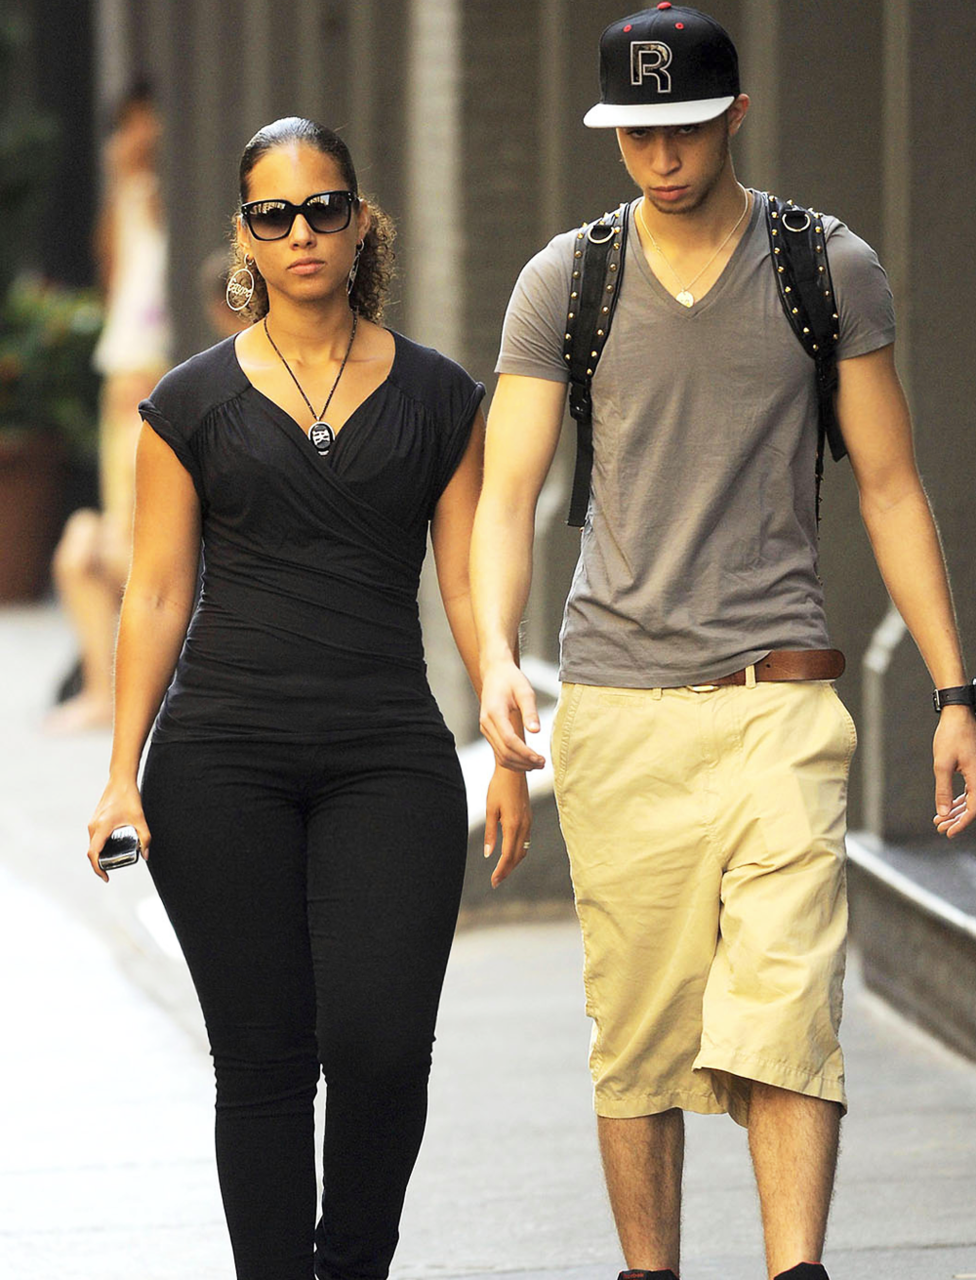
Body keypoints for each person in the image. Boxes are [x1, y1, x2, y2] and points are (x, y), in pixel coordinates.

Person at [470, 8, 976, 1280]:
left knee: (787, 1006)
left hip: (779, 699)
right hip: (619, 704)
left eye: (683, 124)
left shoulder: (824, 266)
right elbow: (506, 490)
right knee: (638, 1037)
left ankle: (793, 1267)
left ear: (733, 113)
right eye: (636, 130)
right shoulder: (565, 282)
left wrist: (956, 688)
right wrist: (489, 661)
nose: (659, 154)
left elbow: (891, 485)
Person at [86, 116, 530, 1280]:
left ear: (359, 218)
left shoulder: (439, 397)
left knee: (382, 1045)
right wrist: (121, 771)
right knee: (267, 1061)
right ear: (244, 233)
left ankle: (353, 1263)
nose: (301, 233)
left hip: (387, 752)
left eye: (324, 207)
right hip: (219, 756)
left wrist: (500, 687)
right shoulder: (187, 408)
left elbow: (468, 578)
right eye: (274, 214)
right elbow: (154, 594)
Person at [48, 80, 170, 732]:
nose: (131, 140)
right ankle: (105, 689)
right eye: (122, 127)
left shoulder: (174, 198)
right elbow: (120, 283)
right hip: (123, 373)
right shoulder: (127, 201)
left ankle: (124, 691)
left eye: (141, 125)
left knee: (125, 534)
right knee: (97, 535)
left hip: (151, 378)